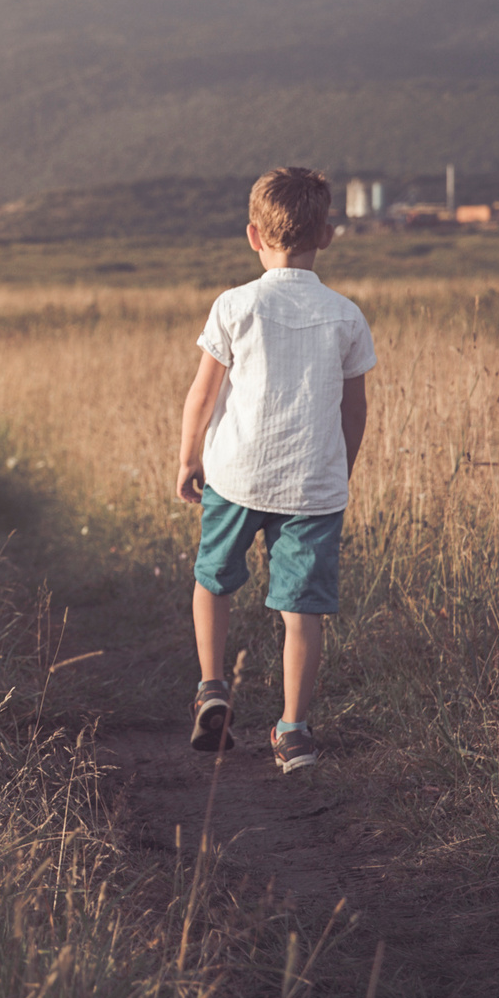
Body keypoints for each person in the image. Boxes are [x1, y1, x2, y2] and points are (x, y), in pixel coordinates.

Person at [174, 167, 374, 774]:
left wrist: (189, 458)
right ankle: (293, 732)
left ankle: (213, 686)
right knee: (301, 610)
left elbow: (202, 395)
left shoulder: (234, 305)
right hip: (313, 485)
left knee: (213, 581)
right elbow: (354, 407)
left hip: (235, 475)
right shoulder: (345, 315)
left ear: (253, 235)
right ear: (328, 235)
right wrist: (341, 470)